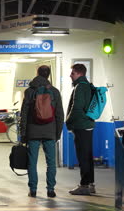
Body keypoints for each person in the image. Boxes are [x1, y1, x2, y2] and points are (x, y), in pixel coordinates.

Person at [19, 65, 64, 198]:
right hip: (50, 131)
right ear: (48, 75)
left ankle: (33, 190)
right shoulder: (55, 92)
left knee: (32, 162)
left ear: (37, 74)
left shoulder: (29, 92)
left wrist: (23, 133)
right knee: (51, 163)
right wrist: (57, 133)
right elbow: (60, 115)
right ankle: (50, 189)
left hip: (33, 131)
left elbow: (24, 114)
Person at [66, 64, 96, 195]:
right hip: (88, 124)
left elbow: (77, 107)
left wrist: (68, 121)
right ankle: (90, 184)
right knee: (88, 155)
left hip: (80, 125)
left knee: (83, 156)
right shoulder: (88, 85)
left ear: (79, 74)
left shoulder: (80, 86)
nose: (70, 75)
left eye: (72, 73)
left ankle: (84, 186)